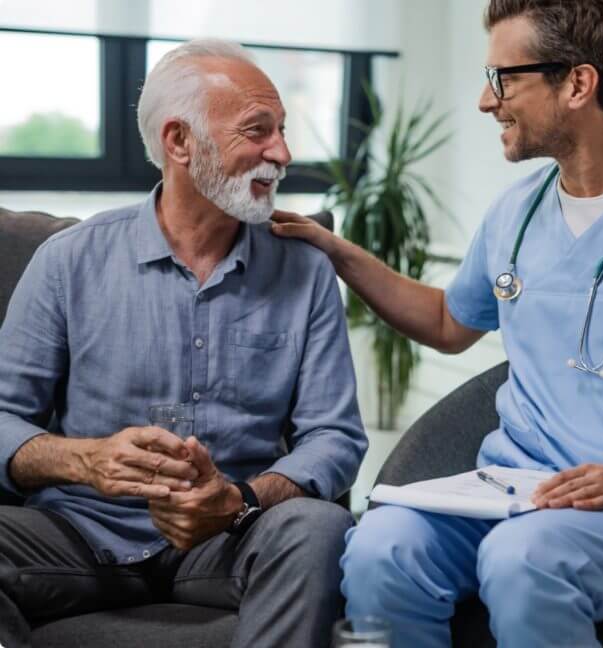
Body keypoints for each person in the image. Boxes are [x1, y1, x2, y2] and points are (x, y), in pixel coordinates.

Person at [269, 1, 603, 646]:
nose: (486, 102)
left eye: (503, 79)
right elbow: (446, 321)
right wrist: (340, 253)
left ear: (577, 83)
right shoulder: (516, 211)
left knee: (524, 561)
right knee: (381, 546)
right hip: (518, 490)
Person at [0, 39, 366, 648]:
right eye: (258, 131)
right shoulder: (68, 262)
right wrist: (83, 459)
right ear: (179, 143)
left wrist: (240, 501)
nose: (282, 152)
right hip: (78, 531)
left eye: (281, 130)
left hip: (230, 538)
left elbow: (335, 435)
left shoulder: (303, 270)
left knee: (320, 529)